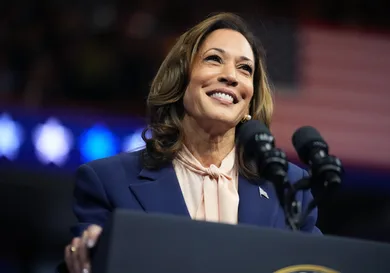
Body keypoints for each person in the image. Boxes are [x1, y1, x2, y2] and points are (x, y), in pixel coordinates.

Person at [63, 12, 321, 273]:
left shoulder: (288, 186)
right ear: (181, 79)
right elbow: (86, 254)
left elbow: (321, 264)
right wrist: (88, 252)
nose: (231, 76)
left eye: (245, 68)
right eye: (214, 59)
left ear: (250, 100)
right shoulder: (109, 180)